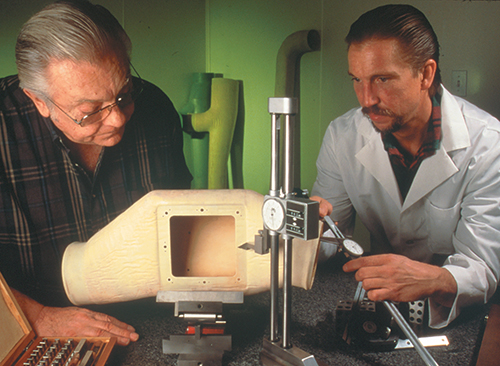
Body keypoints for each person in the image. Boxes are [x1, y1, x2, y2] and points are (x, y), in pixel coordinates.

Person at [0, 0, 192, 345]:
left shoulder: (156, 109)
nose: (118, 119)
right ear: (38, 100)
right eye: (89, 112)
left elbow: (182, 220)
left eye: (123, 94)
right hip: (30, 329)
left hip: (148, 319)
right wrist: (38, 317)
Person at [311, 4, 500, 328]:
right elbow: (330, 240)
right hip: (378, 305)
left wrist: (434, 278)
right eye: (357, 79)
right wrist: (309, 229)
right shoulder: (342, 136)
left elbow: (482, 270)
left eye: (382, 79)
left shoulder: (488, 145)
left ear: (425, 74)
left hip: (461, 318)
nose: (366, 98)